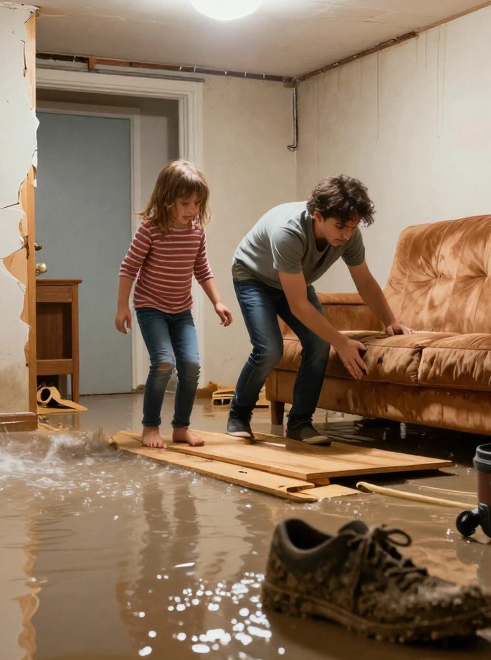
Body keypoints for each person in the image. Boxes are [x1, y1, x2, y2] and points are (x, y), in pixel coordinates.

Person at [227, 175, 410, 446]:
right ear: (318, 215)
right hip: (253, 277)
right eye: (340, 227)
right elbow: (298, 305)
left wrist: (390, 320)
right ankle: (238, 416)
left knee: (318, 345)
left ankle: (300, 423)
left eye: (352, 227)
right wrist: (342, 342)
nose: (346, 235)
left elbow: (364, 281)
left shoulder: (348, 234)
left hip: (294, 281)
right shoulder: (288, 232)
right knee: (270, 349)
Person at [116, 160, 233, 449]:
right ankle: (150, 426)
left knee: (191, 366)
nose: (192, 210)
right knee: (163, 362)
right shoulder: (150, 230)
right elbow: (129, 268)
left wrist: (218, 302)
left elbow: (202, 270)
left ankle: (181, 427)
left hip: (181, 311)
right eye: (185, 203)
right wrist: (122, 307)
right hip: (150, 308)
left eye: (197, 203)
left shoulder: (196, 232)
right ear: (167, 198)